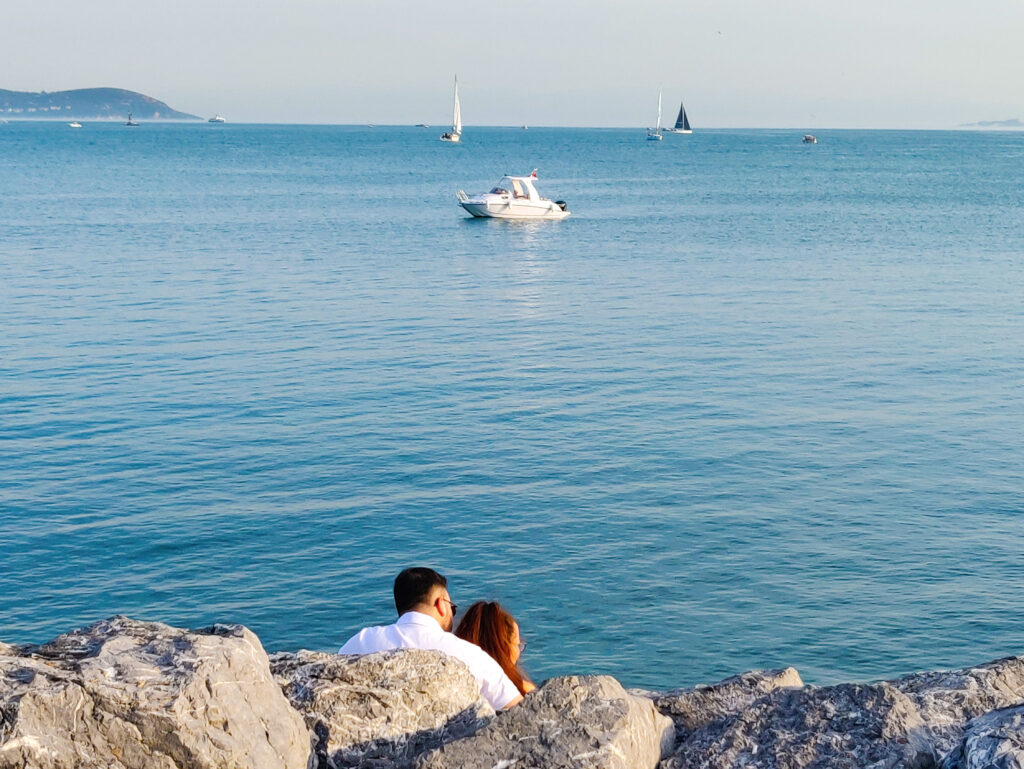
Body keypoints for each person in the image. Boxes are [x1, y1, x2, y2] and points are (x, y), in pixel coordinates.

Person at [338, 567, 523, 710]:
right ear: (441, 604)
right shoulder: (470, 655)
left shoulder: (360, 642)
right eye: (452, 607)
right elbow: (516, 708)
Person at [454, 601, 535, 696]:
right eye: (517, 644)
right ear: (502, 649)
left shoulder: (455, 684)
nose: (519, 652)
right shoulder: (521, 691)